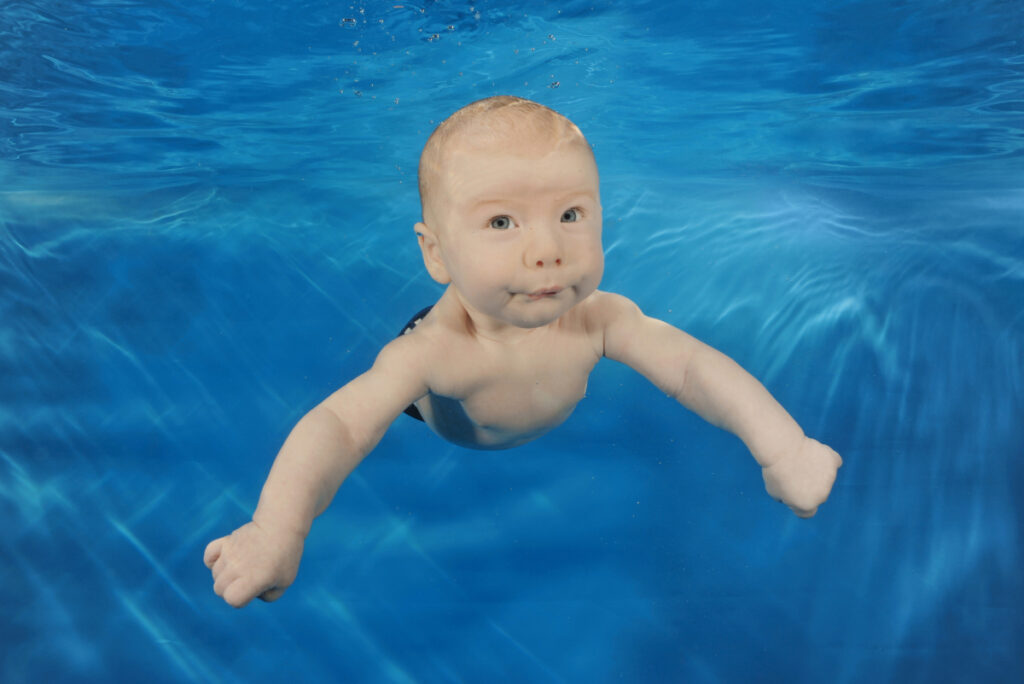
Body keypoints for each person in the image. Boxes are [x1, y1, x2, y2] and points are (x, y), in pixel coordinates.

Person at [204, 96, 842, 608]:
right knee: (376, 395)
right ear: (435, 253)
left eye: (570, 214)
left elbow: (692, 367)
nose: (546, 250)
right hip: (442, 403)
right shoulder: (434, 354)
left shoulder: (600, 318)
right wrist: (276, 531)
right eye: (502, 222)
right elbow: (339, 427)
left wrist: (781, 445)